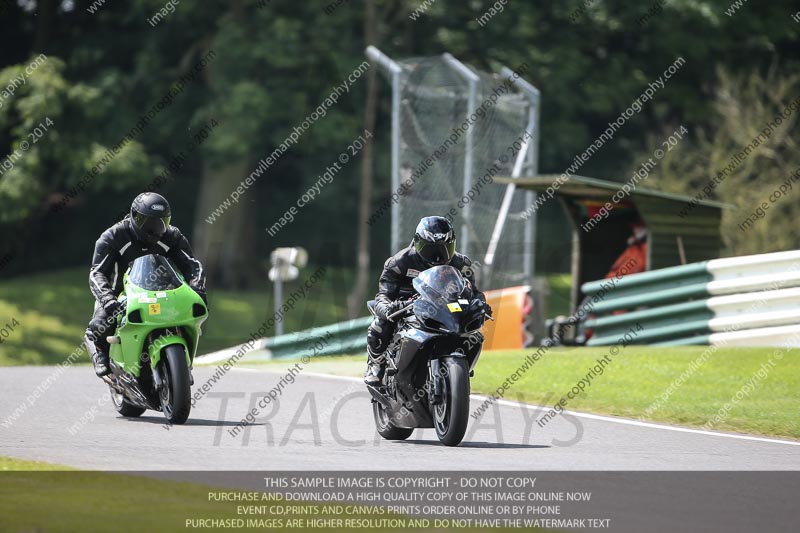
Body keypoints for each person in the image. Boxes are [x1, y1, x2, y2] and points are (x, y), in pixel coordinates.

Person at [85, 192, 207, 377]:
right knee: (100, 324)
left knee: (192, 311)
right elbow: (97, 272)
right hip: (120, 294)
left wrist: (197, 287)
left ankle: (182, 361)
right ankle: (100, 349)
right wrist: (107, 298)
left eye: (162, 223)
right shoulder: (113, 236)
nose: (155, 229)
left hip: (164, 292)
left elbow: (192, 265)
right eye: (149, 223)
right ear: (134, 216)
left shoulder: (172, 236)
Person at [364, 216, 490, 385]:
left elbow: (473, 292)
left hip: (444, 307)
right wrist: (389, 307)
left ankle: (458, 366)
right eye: (432, 249)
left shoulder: (462, 264)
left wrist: (480, 303)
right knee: (380, 324)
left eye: (445, 248)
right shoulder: (399, 263)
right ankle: (376, 363)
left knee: (473, 332)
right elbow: (383, 294)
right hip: (406, 306)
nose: (438, 256)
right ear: (418, 243)